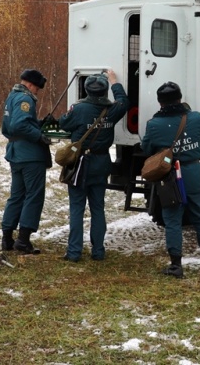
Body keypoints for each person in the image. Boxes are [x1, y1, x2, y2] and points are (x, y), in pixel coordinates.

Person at [141, 82, 200, 278]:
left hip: (170, 178)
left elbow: (147, 149)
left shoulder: (153, 124)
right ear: (180, 98)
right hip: (193, 173)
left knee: (173, 221)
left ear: (160, 102)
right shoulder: (194, 118)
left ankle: (176, 265)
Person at [58, 69, 129, 262]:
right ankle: (98, 251)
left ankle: (74, 253)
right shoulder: (113, 110)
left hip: (80, 164)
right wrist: (114, 81)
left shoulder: (78, 109)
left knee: (77, 208)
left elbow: (64, 123)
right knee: (98, 208)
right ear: (105, 91)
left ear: (86, 90)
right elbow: (124, 101)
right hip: (102, 162)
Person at [1, 68, 52, 255]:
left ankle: (7, 237)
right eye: (37, 88)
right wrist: (39, 136)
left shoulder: (12, 96)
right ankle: (23, 240)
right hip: (30, 156)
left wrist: (38, 123)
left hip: (15, 153)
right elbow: (19, 124)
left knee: (16, 196)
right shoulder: (25, 98)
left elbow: (11, 126)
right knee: (33, 195)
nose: (37, 92)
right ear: (30, 85)